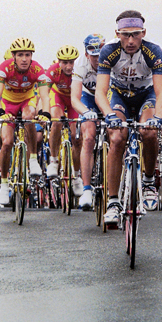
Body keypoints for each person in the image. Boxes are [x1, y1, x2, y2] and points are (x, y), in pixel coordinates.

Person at [95, 10, 162, 223]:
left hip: (147, 94)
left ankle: (147, 181)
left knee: (149, 131)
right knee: (117, 138)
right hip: (120, 95)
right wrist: (108, 114)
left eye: (135, 34)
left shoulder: (153, 51)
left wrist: (159, 117)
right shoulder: (108, 51)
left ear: (143, 32)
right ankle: (113, 201)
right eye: (125, 34)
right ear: (117, 34)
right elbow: (100, 91)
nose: (130, 40)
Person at [0, 37, 51, 205]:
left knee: (28, 116)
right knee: (7, 142)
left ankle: (32, 159)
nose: (24, 59)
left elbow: (45, 96)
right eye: (20, 55)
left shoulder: (37, 69)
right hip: (8, 102)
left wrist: (46, 113)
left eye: (28, 55)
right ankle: (4, 184)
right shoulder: (5, 68)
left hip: (27, 100)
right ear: (13, 56)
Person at [44, 45, 85, 197]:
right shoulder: (53, 71)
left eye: (72, 62)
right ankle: (54, 161)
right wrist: (43, 112)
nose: (68, 66)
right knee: (56, 121)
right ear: (59, 62)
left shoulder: (81, 68)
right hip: (59, 97)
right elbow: (44, 92)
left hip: (75, 100)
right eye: (64, 63)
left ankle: (77, 176)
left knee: (77, 138)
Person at [71, 33, 105, 210]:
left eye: (101, 55)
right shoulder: (80, 65)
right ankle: (86, 189)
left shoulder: (111, 60)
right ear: (86, 54)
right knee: (89, 137)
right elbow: (75, 99)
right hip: (88, 98)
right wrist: (86, 112)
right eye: (94, 56)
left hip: (107, 96)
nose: (98, 59)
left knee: (118, 134)